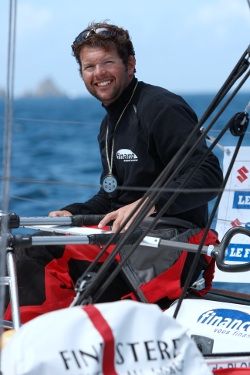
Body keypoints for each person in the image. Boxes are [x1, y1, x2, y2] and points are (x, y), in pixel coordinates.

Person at [5, 21, 223, 323]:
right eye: (89, 66)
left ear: (130, 64)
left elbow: (209, 175)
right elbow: (113, 197)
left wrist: (148, 204)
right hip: (130, 240)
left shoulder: (160, 107)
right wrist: (73, 212)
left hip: (176, 245)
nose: (99, 73)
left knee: (41, 256)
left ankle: (23, 347)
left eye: (107, 62)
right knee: (23, 246)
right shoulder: (110, 124)